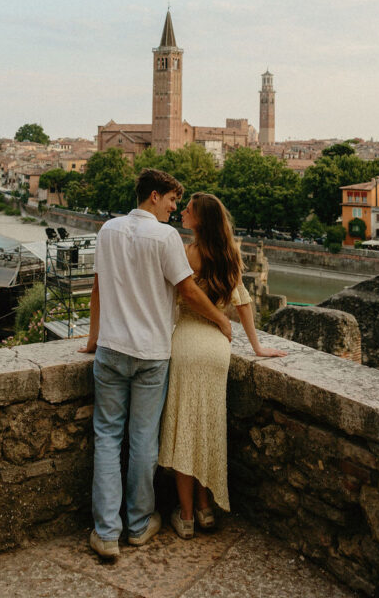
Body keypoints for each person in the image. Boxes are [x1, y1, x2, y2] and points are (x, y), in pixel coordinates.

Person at [78, 169, 233, 561]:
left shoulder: (108, 230)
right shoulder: (165, 237)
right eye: (170, 201)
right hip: (151, 354)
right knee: (144, 440)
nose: (173, 208)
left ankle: (106, 533)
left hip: (111, 349)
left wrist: (92, 340)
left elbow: (97, 289)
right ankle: (139, 523)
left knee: (108, 438)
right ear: (152, 196)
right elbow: (188, 290)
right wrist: (220, 319)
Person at [158, 192, 286, 538]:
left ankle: (185, 517)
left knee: (185, 430)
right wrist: (257, 347)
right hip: (217, 349)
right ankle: (206, 509)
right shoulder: (230, 256)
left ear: (199, 219)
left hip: (185, 343)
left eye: (188, 210)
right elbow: (243, 304)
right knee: (208, 428)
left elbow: (176, 295)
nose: (182, 212)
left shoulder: (188, 253)